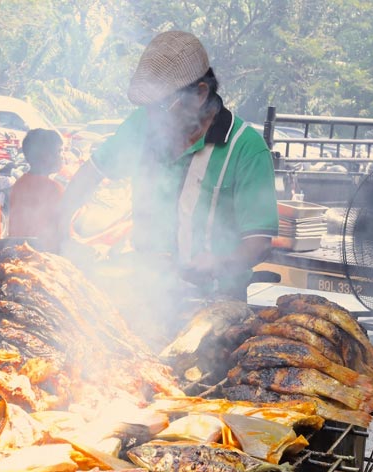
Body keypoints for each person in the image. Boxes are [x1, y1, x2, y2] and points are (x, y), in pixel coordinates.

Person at [62, 30, 278, 309]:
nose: (153, 116)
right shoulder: (142, 123)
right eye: (149, 106)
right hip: (145, 295)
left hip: (216, 303)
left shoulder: (246, 148)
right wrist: (58, 230)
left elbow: (259, 244)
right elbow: (92, 173)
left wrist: (220, 263)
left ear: (200, 93)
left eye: (163, 105)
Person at [8, 128, 65, 252]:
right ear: (46, 156)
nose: (63, 156)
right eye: (59, 151)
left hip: (16, 250)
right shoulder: (54, 189)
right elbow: (62, 231)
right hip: (42, 255)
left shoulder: (20, 183)